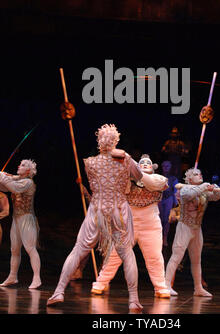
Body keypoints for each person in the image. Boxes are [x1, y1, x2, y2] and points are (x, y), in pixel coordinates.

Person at [47, 124, 143, 312]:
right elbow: (138, 177)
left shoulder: (89, 162)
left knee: (79, 250)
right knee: (126, 253)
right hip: (118, 209)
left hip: (98, 209)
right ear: (116, 141)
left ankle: (59, 291)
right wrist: (127, 157)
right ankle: (134, 300)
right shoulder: (124, 159)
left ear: (99, 141)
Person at [91, 154, 170, 298]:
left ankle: (160, 286)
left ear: (153, 167)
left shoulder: (159, 179)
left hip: (150, 224)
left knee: (154, 257)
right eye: (141, 163)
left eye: (148, 163)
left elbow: (149, 182)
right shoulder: (127, 180)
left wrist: (129, 161)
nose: (145, 164)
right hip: (128, 224)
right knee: (115, 255)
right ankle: (100, 283)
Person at [165, 167, 220, 297]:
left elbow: (216, 197)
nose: (200, 175)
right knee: (176, 257)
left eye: (200, 173)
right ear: (189, 179)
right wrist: (204, 186)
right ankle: (166, 285)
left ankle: (198, 288)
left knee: (196, 260)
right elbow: (188, 195)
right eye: (196, 174)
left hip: (197, 228)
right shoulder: (185, 189)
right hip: (184, 226)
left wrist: (215, 188)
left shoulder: (203, 191)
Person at [0, 160, 41, 289]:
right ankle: (13, 276)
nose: (19, 166)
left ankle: (37, 278)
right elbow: (4, 187)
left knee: (30, 248)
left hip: (27, 219)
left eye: (23, 165)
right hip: (16, 219)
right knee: (14, 250)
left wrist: (2, 176)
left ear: (28, 171)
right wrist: (2, 177)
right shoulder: (18, 180)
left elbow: (14, 187)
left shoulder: (28, 182)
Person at [158, 160, 178, 246]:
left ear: (170, 167)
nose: (166, 168)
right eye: (164, 166)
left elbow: (175, 191)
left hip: (168, 199)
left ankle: (164, 238)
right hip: (159, 199)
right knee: (158, 219)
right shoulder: (158, 177)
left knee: (166, 219)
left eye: (167, 166)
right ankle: (158, 238)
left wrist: (175, 201)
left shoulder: (173, 178)